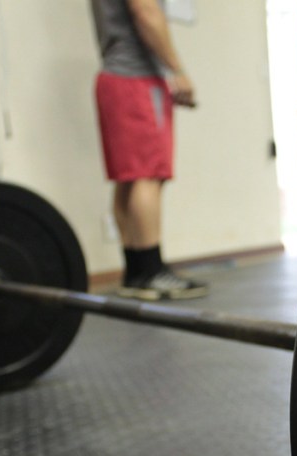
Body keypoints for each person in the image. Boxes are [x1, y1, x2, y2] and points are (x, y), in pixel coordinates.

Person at [91, 0, 208, 300]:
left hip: (114, 77)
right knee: (148, 175)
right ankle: (152, 271)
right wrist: (177, 69)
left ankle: (136, 271)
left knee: (129, 177)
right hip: (137, 79)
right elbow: (146, 11)